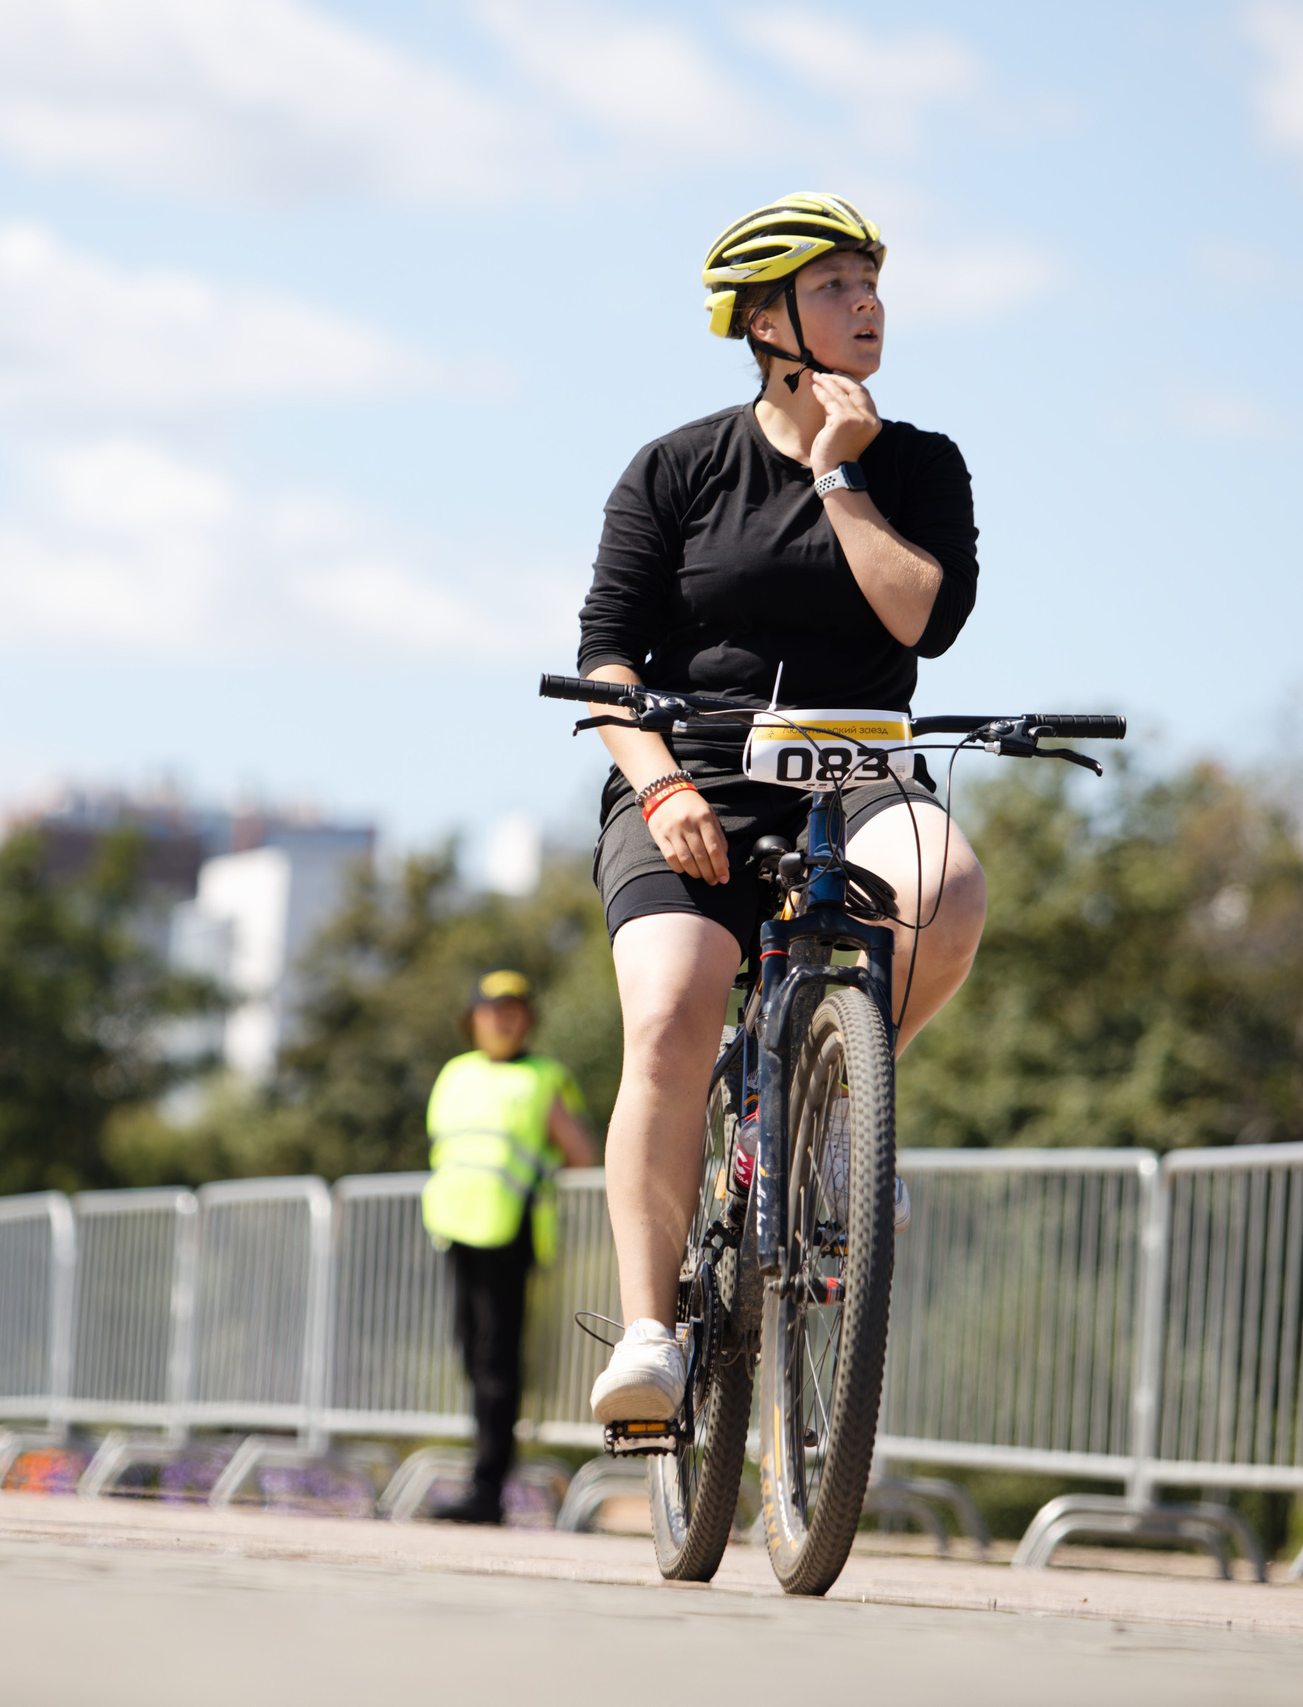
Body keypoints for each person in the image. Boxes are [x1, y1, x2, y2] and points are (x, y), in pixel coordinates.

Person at [577, 193, 988, 1423]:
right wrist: (656, 784)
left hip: (854, 773)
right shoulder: (675, 467)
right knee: (670, 1013)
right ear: (764, 322)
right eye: (835, 288)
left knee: (945, 888)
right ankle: (649, 1334)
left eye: (872, 285)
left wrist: (839, 479)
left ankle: (829, 1106)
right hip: (689, 781)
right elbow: (604, 661)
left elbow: (924, 619)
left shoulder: (916, 464)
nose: (867, 306)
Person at [421, 970, 597, 1523]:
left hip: (510, 1231)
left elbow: (580, 1155)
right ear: (473, 1018)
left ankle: (488, 1488)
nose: (505, 1017)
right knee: (473, 1355)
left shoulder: (543, 1077)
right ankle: (484, 1477)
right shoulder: (455, 1073)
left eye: (516, 1009)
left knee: (497, 1363)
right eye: (494, 1008)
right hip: (456, 1228)